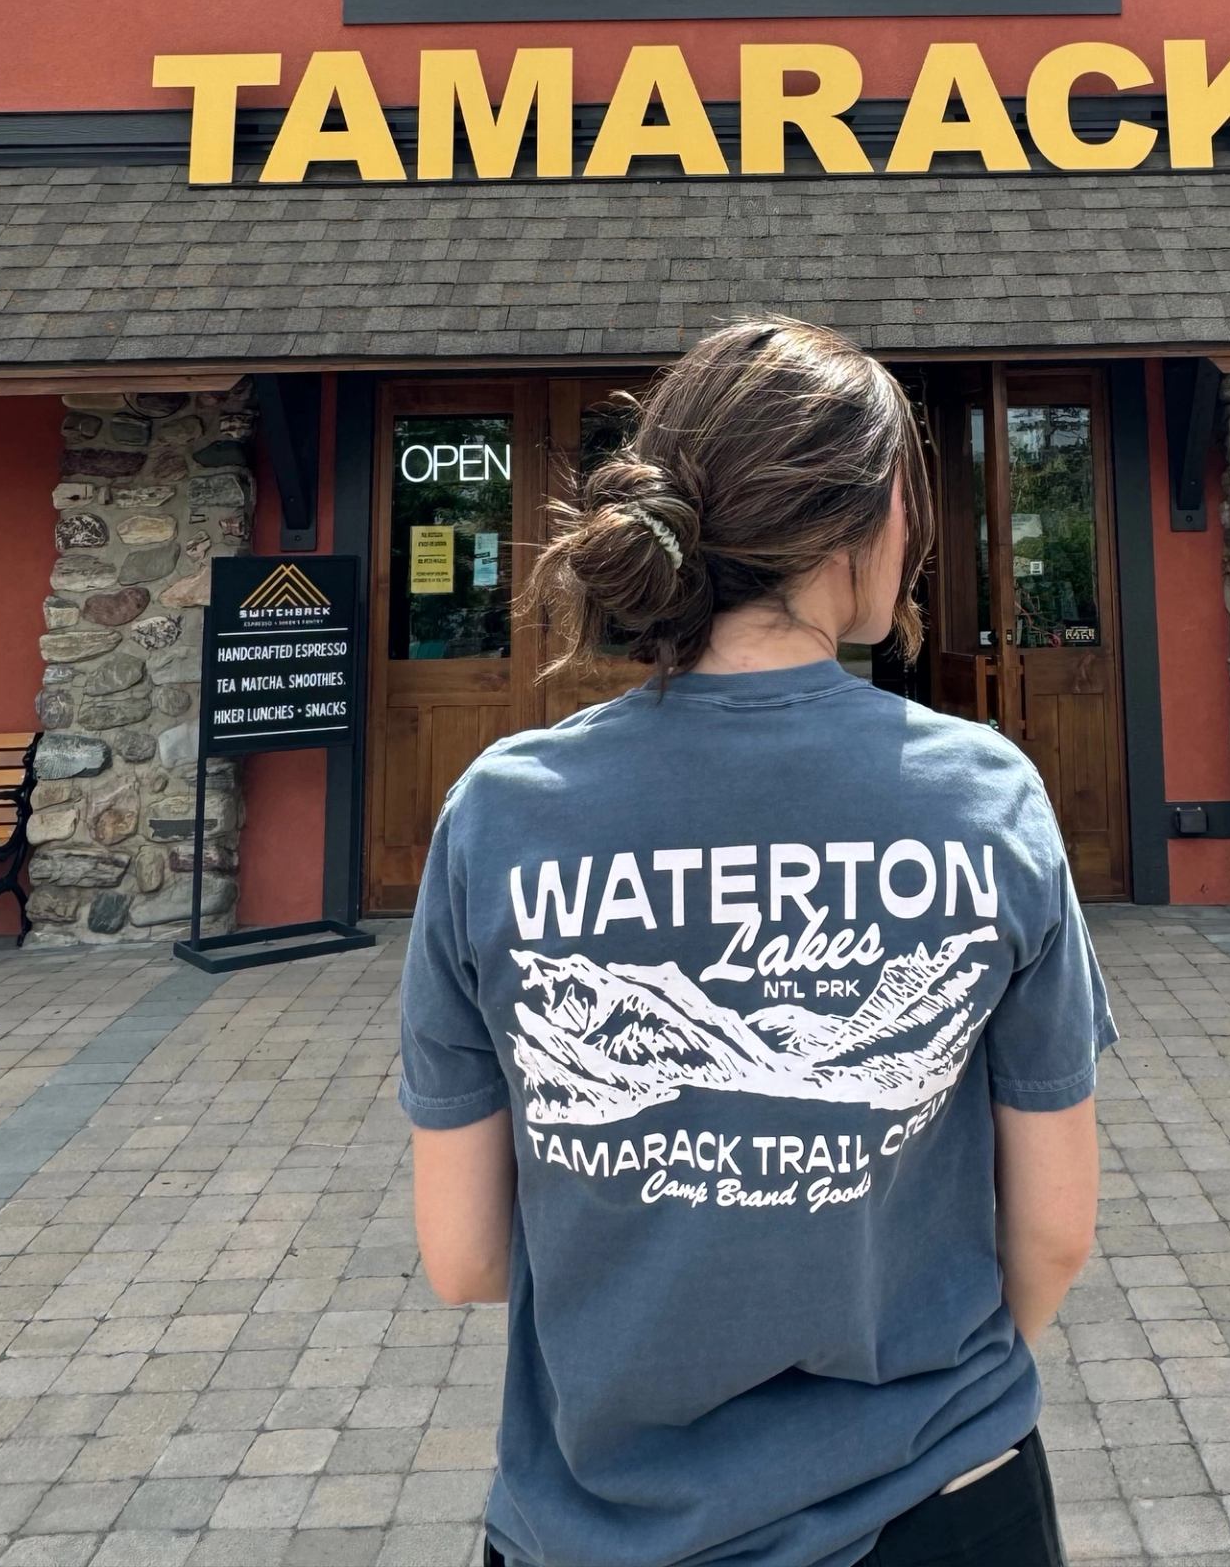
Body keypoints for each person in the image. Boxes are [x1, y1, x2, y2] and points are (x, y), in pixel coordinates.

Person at [400, 317, 1116, 1567]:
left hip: (597, 1522)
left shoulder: (502, 812)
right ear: (876, 514)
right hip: (939, 1497)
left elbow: (462, 1258)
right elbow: (1050, 1232)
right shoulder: (981, 794)